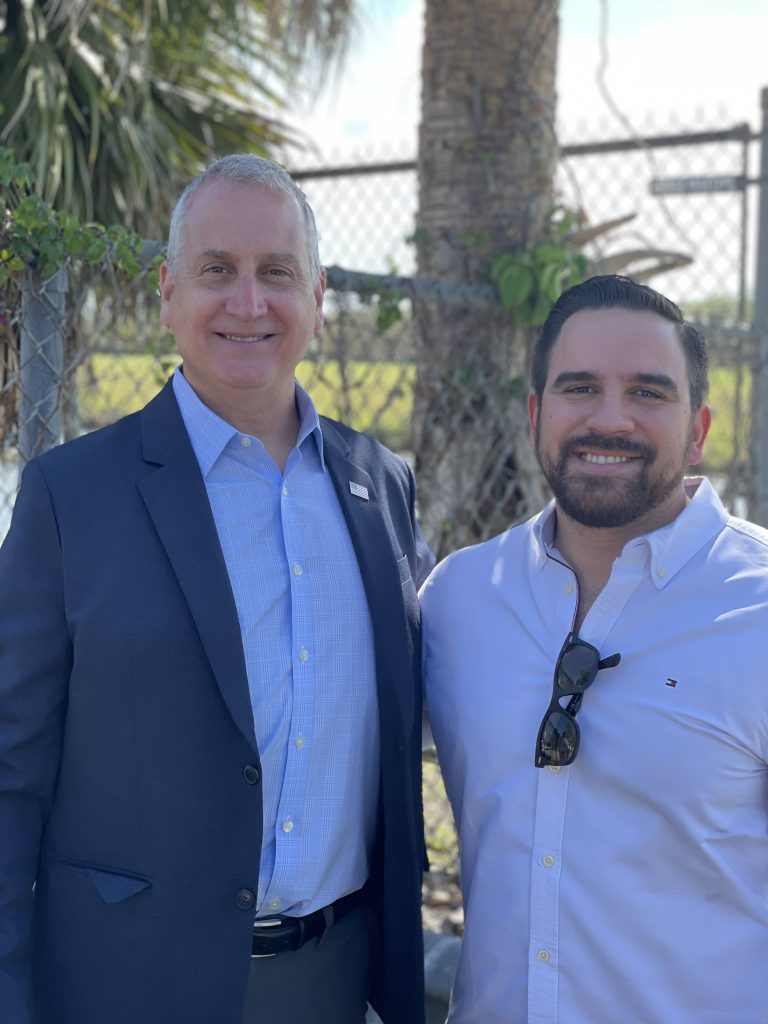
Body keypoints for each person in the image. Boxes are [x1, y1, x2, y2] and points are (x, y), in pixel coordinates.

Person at [0, 154, 433, 1024]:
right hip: (126, 986)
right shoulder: (69, 496)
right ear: (167, 292)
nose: (248, 301)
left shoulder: (379, 483)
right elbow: (10, 776)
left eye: (277, 272)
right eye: (216, 271)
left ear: (317, 297)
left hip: (332, 981)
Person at [420, 274, 768, 1024]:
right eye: (580, 388)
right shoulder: (459, 599)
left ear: (699, 427)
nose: (610, 418)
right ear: (538, 414)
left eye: (648, 392)